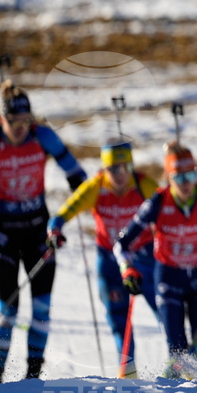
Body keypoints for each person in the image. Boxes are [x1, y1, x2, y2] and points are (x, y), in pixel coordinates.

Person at [0, 80, 86, 382]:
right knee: (9, 309)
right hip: (3, 231)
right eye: (13, 122)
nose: (19, 128)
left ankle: (31, 379)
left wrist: (77, 184)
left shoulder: (41, 136)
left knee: (42, 309)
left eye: (25, 121)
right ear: (0, 118)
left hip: (37, 230)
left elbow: (75, 170)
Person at [114, 141, 197, 377]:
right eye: (179, 177)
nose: (187, 183)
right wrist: (127, 269)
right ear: (168, 177)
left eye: (191, 175)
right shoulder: (158, 202)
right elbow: (121, 245)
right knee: (177, 352)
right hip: (169, 277)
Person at [47, 140, 159, 378]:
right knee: (119, 321)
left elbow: (168, 211)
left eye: (125, 167)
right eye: (113, 169)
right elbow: (65, 211)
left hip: (144, 258)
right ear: (104, 169)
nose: (120, 175)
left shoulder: (144, 185)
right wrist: (55, 228)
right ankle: (129, 376)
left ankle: (181, 368)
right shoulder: (95, 187)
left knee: (165, 312)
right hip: (109, 262)